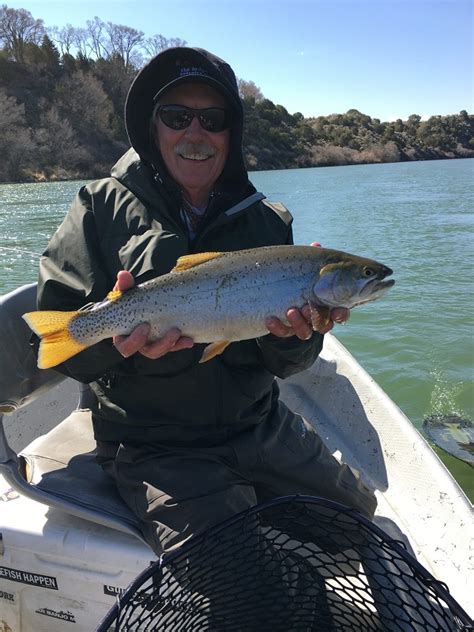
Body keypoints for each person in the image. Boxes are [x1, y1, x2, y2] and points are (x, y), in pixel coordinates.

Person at [37, 47, 376, 558]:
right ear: (154, 127)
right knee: (237, 571)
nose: (195, 134)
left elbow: (287, 364)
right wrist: (119, 345)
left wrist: (299, 337)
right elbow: (65, 351)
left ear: (230, 132)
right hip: (156, 446)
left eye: (212, 119)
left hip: (260, 426)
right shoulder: (98, 207)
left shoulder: (269, 223)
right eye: (177, 117)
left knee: (358, 520)